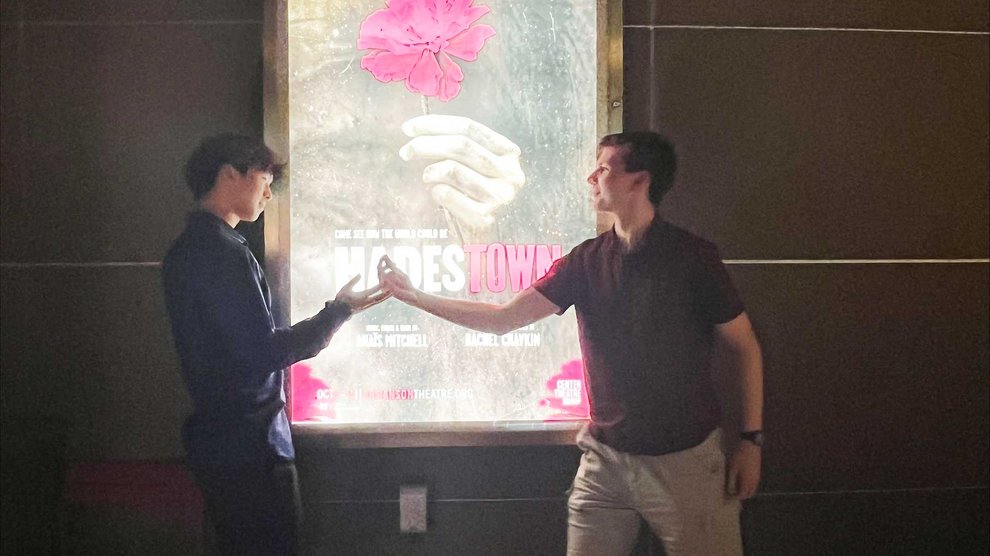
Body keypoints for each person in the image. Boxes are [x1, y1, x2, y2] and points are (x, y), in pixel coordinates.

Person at [377, 131, 764, 556]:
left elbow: (745, 347)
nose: (590, 177)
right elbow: (503, 319)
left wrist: (751, 441)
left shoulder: (693, 259)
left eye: (604, 167)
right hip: (605, 462)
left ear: (640, 179)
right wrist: (413, 296)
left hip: (686, 461)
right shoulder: (586, 260)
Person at [162, 134, 388, 556]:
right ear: (230, 174)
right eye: (264, 179)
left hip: (221, 443)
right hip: (252, 447)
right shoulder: (222, 252)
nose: (269, 193)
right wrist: (338, 311)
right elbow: (262, 352)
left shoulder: (188, 250)